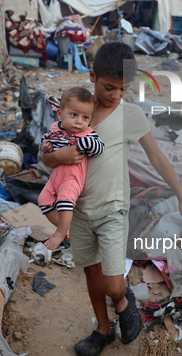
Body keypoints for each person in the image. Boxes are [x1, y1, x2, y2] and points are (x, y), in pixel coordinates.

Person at [42, 41, 182, 356]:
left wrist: (180, 195)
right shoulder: (74, 111)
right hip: (78, 212)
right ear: (92, 75)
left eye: (123, 89)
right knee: (91, 273)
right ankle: (102, 329)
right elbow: (46, 157)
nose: (115, 95)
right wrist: (62, 156)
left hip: (112, 210)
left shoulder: (131, 115)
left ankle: (125, 302)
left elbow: (157, 157)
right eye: (109, 86)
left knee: (113, 285)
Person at [38, 87, 105, 251]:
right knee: (43, 201)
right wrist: (45, 147)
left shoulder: (88, 134)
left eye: (85, 117)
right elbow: (46, 139)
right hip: (55, 176)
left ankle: (59, 233)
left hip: (73, 177)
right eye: (74, 115)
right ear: (60, 114)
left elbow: (99, 148)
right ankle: (65, 228)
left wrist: (82, 144)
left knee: (64, 202)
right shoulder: (55, 127)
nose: (79, 121)